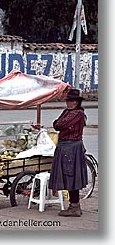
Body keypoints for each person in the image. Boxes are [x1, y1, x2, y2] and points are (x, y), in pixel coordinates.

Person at [48, 88, 88, 217]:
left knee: (71, 176)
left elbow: (60, 125)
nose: (69, 103)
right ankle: (74, 205)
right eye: (68, 101)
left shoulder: (77, 114)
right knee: (68, 176)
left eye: (72, 101)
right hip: (65, 146)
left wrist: (57, 123)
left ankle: (74, 206)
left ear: (77, 102)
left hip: (72, 147)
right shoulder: (67, 111)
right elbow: (56, 124)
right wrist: (57, 123)